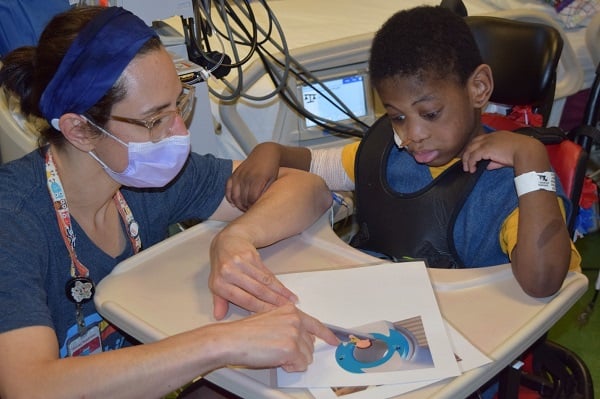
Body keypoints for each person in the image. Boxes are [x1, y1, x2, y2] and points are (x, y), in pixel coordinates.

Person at [0, 6, 339, 398]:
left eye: (179, 105)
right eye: (155, 119)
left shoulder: (143, 178)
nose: (179, 133)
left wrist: (238, 237)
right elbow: (29, 387)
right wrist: (222, 343)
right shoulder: (15, 220)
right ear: (79, 129)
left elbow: (306, 188)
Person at [225, 5, 582, 300]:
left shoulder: (507, 186)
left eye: (430, 114)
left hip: (468, 356)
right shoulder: (386, 155)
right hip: (377, 322)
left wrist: (532, 158)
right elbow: (319, 164)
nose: (413, 135)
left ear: (478, 88)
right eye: (397, 117)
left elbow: (542, 281)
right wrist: (272, 151)